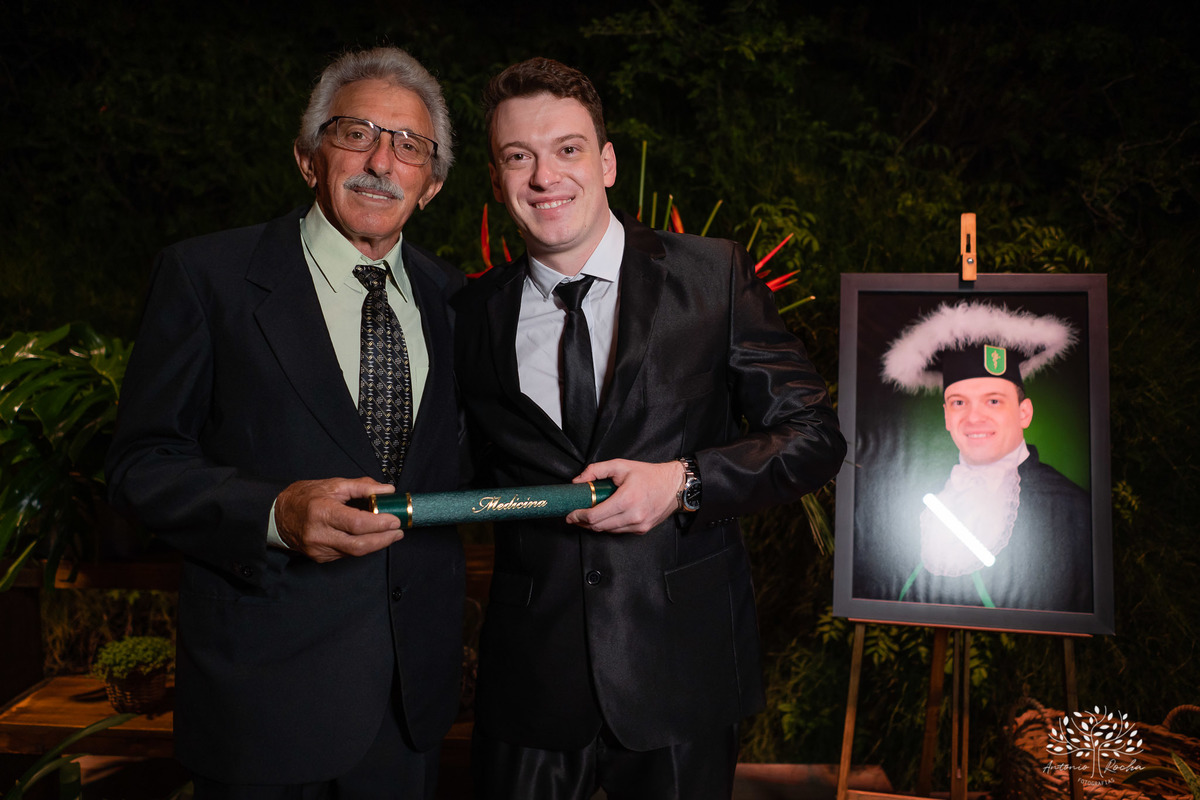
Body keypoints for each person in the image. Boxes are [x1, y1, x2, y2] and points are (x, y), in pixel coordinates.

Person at [453, 57, 847, 799]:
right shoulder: (470, 314)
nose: (544, 176)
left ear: (604, 163)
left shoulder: (712, 277)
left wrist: (686, 481)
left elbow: (814, 434)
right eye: (518, 156)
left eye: (566, 149)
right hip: (530, 684)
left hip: (682, 676)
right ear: (497, 175)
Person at [106, 47, 465, 798]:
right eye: (355, 133)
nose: (380, 161)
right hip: (260, 707)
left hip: (407, 711)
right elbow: (141, 465)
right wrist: (272, 512)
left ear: (430, 186)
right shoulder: (206, 277)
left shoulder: (457, 301)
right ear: (308, 159)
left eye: (409, 145)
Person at [869, 300, 1093, 611]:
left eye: (993, 401)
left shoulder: (1075, 509)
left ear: (1024, 413)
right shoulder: (916, 500)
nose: (974, 418)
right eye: (959, 403)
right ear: (946, 416)